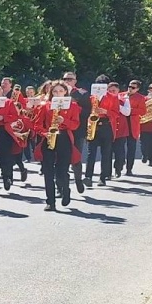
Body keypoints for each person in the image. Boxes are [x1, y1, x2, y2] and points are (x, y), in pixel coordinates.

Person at [34, 80, 81, 211]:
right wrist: (45, 133)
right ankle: (50, 201)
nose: (58, 93)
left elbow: (76, 124)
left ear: (66, 92)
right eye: (55, 91)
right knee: (48, 171)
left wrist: (64, 120)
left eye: (61, 91)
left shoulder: (73, 106)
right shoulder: (45, 106)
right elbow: (37, 125)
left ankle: (65, 189)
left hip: (64, 138)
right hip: (49, 138)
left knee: (61, 171)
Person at [83, 75, 120, 188]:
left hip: (106, 125)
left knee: (106, 153)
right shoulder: (90, 97)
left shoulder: (113, 97)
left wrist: (106, 111)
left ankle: (102, 177)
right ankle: (88, 176)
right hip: (93, 125)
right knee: (91, 153)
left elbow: (116, 114)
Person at [63, 72, 89, 194]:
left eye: (70, 79)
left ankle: (78, 179)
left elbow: (87, 112)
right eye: (65, 79)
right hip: (61, 130)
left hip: (77, 130)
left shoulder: (82, 93)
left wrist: (74, 106)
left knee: (76, 157)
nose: (67, 81)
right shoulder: (57, 92)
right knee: (60, 159)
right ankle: (61, 186)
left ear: (75, 81)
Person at [120, 80, 148, 175]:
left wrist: (130, 110)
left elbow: (143, 111)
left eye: (133, 87)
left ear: (137, 89)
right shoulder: (120, 95)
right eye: (129, 86)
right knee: (119, 147)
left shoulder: (140, 98)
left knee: (131, 148)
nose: (130, 89)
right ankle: (119, 164)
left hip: (132, 125)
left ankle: (129, 169)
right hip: (121, 124)